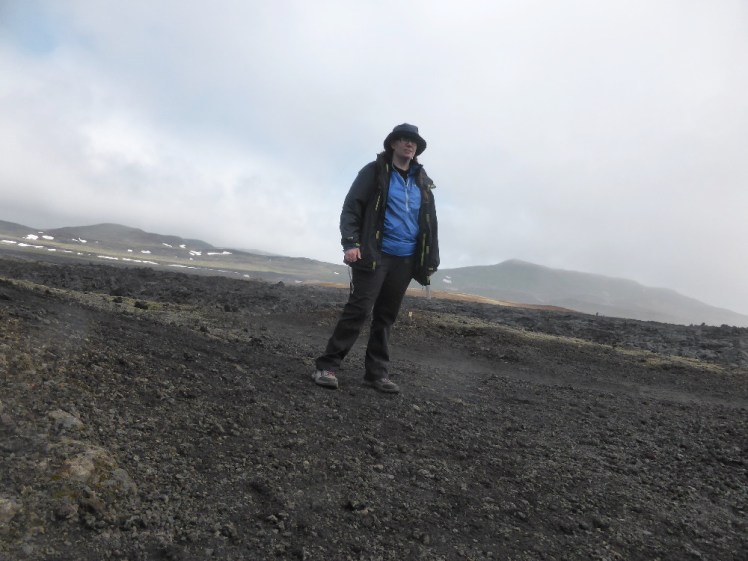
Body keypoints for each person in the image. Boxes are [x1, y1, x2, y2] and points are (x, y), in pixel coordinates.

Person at [313, 123, 440, 393]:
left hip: (405, 259)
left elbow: (430, 223)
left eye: (413, 142)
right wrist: (351, 242)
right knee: (359, 310)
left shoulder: (422, 181)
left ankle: (376, 374)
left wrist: (429, 259)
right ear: (392, 144)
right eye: (404, 140)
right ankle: (328, 365)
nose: (409, 144)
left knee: (386, 316)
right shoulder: (374, 172)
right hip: (374, 254)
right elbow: (352, 207)